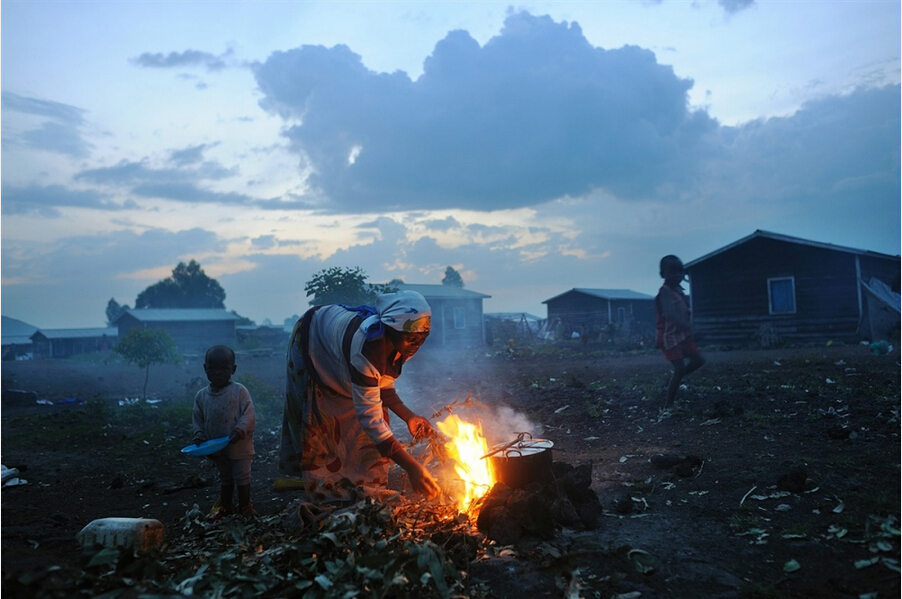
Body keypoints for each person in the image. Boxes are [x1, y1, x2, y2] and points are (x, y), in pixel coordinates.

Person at [279, 290, 441, 503]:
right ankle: (326, 485)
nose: (417, 344)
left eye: (423, 337)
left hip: (348, 357)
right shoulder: (367, 350)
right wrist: (411, 466)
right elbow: (371, 419)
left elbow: (380, 381)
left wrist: (408, 416)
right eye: (412, 338)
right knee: (326, 420)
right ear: (391, 330)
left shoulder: (399, 343)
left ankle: (357, 480)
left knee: (363, 420)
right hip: (313, 339)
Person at [192, 345, 257, 521]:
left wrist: (239, 431)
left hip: (239, 444)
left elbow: (249, 414)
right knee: (225, 477)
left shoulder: (239, 391)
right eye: (212, 368)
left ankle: (245, 506)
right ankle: (226, 507)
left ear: (233, 369)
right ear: (205, 368)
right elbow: (198, 418)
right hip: (216, 447)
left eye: (224, 368)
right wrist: (199, 435)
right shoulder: (202, 396)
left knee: (242, 474)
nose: (218, 372)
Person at [655, 255, 705, 409]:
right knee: (679, 367)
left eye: (680, 272)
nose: (678, 275)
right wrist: (687, 326)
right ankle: (669, 404)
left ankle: (674, 378)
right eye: (672, 272)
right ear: (663, 274)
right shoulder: (664, 292)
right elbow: (670, 313)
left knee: (698, 360)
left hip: (684, 334)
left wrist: (689, 328)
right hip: (670, 335)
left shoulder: (679, 291)